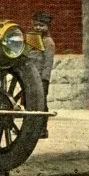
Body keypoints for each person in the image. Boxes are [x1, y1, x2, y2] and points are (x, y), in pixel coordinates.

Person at [25, 11, 55, 139]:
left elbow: (48, 63)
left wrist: (45, 80)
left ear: (47, 26)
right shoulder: (31, 39)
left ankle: (42, 129)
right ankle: (30, 129)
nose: (38, 28)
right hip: (29, 77)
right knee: (29, 103)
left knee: (41, 104)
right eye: (36, 25)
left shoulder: (48, 42)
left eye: (41, 25)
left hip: (40, 78)